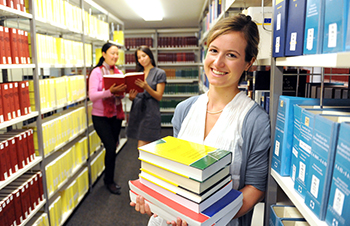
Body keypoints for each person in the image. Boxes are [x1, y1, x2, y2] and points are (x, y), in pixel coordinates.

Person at [130, 14, 271, 226]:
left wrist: (203, 220)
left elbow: (256, 187)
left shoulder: (255, 120)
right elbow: (174, 173)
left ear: (249, 62)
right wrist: (157, 202)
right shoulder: (184, 110)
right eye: (213, 51)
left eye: (231, 55)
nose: (218, 62)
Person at [88, 42, 127, 195]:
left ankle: (109, 178)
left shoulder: (117, 71)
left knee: (113, 147)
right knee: (110, 147)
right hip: (101, 117)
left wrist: (121, 92)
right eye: (112, 53)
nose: (115, 56)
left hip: (116, 116)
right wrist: (109, 91)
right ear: (104, 54)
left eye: (117, 53)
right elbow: (92, 96)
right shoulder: (97, 72)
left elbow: (121, 96)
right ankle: (108, 181)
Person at [126, 45, 167, 148]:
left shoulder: (159, 73)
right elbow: (136, 95)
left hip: (150, 113)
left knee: (143, 146)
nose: (141, 59)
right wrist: (132, 97)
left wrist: (146, 87)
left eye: (143, 56)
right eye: (139, 58)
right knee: (143, 146)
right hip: (137, 111)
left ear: (150, 56)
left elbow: (159, 96)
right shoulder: (138, 74)